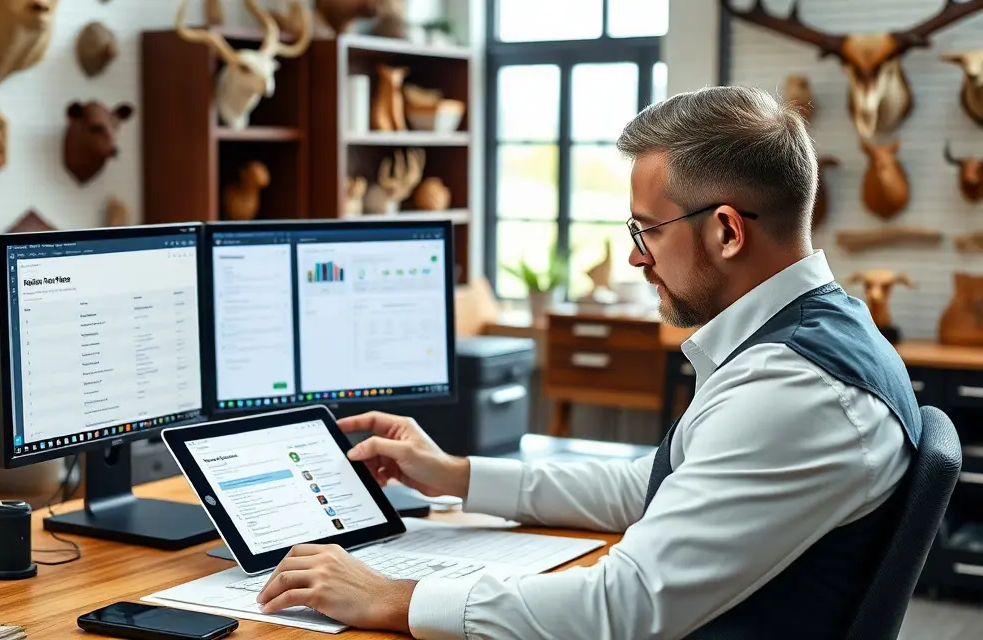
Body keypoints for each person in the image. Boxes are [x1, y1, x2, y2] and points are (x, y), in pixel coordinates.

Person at [253, 85, 921, 639]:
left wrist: (391, 596)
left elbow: (622, 608)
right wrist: (457, 475)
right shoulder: (807, 338)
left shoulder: (794, 388)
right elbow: (650, 487)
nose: (634, 257)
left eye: (645, 230)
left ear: (725, 230)